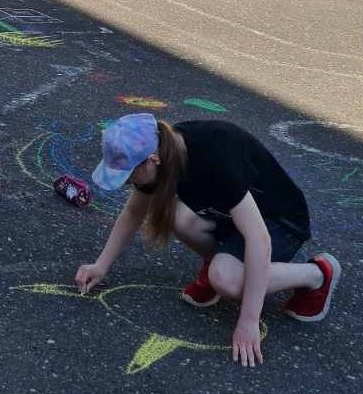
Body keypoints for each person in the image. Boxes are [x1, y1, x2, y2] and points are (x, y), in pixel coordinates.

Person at [75, 114, 341, 368]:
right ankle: (221, 263)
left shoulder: (215, 153)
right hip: (232, 218)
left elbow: (259, 238)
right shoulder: (161, 152)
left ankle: (317, 274)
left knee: (227, 280)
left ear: (152, 160)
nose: (128, 182)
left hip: (279, 222)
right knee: (177, 216)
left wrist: (248, 320)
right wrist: (101, 265)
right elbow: (134, 212)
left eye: (128, 175)